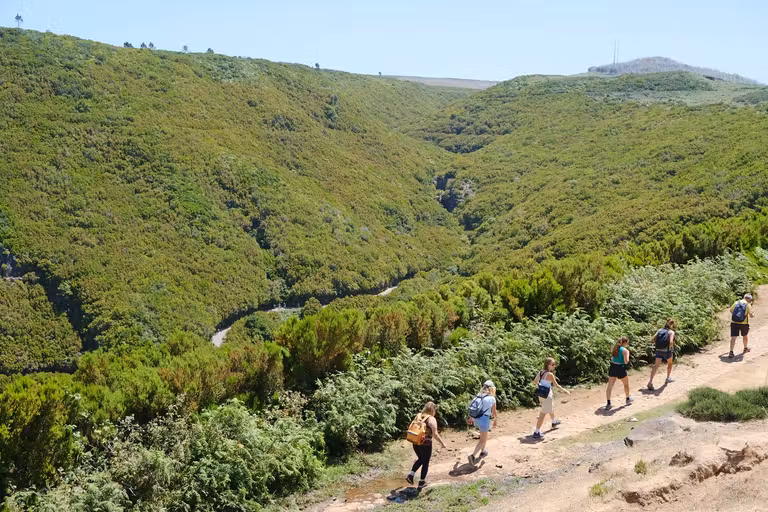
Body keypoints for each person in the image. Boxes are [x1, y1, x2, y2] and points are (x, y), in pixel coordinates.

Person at [406, 402, 446, 488]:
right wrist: (442, 443)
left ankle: (411, 475)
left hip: (415, 441)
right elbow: (435, 434)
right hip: (426, 444)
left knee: (421, 459)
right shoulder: (431, 419)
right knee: (425, 461)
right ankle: (421, 482)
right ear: (433, 410)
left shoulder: (419, 416)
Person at [532, 358, 570, 439]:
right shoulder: (550, 374)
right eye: (552, 364)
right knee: (543, 414)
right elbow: (556, 385)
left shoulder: (541, 372)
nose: (554, 366)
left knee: (551, 407)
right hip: (547, 396)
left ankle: (554, 422)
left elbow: (535, 381)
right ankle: (536, 432)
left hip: (541, 394)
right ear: (548, 365)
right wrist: (565, 391)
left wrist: (541, 385)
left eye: (554, 364)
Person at [468, 380, 497, 465]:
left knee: (484, 438)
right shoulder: (491, 398)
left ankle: (483, 452)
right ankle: (472, 456)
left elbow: (473, 408)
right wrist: (495, 420)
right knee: (483, 440)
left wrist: (471, 418)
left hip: (476, 419)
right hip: (484, 420)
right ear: (492, 388)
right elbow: (494, 412)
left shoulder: (478, 396)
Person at [647, 318, 676, 391]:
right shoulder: (671, 332)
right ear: (672, 324)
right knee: (670, 363)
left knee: (656, 366)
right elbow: (671, 342)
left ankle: (650, 382)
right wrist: (671, 348)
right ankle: (668, 378)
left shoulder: (659, 330)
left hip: (658, 350)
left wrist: (658, 345)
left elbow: (653, 339)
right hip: (667, 350)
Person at [605, 337, 632, 410]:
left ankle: (608, 403)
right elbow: (626, 361)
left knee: (610, 386)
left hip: (613, 367)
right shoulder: (625, 350)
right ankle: (628, 398)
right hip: (620, 368)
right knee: (626, 384)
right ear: (625, 343)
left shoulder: (615, 348)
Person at [729, 293, 755, 358]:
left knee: (733, 337)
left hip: (734, 322)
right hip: (744, 323)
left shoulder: (736, 302)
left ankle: (731, 352)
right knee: (745, 336)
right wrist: (752, 313)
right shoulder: (748, 305)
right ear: (748, 299)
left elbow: (731, 310)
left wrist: (737, 316)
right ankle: (745, 348)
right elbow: (751, 316)